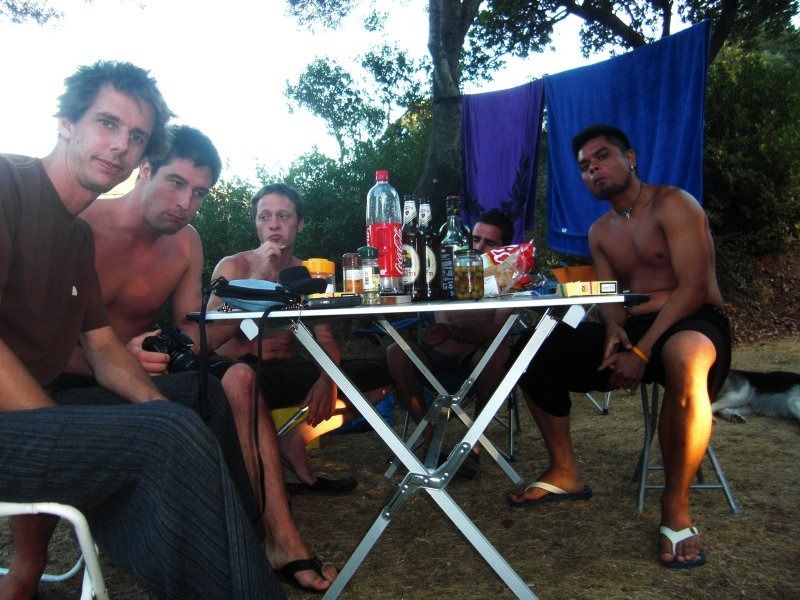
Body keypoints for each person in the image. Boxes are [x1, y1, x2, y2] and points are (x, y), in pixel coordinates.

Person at [0, 61, 283, 599]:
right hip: (20, 426)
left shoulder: (74, 237)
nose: (120, 145)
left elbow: (102, 346)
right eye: (107, 123)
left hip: (40, 419)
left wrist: (162, 407)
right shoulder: (8, 185)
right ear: (66, 122)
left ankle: (250, 552)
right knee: (164, 437)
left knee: (199, 400)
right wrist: (63, 429)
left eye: (135, 136)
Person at [56, 125, 335, 592]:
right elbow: (34, 344)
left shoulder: (186, 241)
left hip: (150, 373)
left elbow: (193, 335)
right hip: (76, 380)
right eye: (176, 183)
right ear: (145, 169)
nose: (186, 203)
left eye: (200, 193)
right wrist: (113, 361)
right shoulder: (80, 226)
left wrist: (255, 291)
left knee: (240, 378)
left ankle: (279, 536)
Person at [507, 125, 731, 570]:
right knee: (533, 351)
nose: (593, 168)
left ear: (630, 158)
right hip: (635, 324)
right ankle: (565, 470)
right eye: (584, 166)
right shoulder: (600, 232)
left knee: (685, 359)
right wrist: (612, 328)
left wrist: (641, 352)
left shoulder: (674, 204)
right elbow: (611, 297)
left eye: (602, 156)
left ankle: (676, 506)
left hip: (695, 318)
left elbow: (694, 288)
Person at [210, 183, 393, 491]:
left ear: (300, 223)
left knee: (379, 378)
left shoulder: (307, 274)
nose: (273, 224)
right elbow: (208, 337)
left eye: (283, 216)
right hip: (239, 373)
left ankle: (294, 440)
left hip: (284, 372)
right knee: (245, 380)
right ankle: (261, 484)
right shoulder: (234, 267)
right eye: (265, 216)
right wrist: (253, 283)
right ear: (256, 223)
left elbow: (325, 339)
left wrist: (327, 380)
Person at [386, 210, 514, 478]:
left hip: (477, 360)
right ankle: (429, 438)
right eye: (475, 239)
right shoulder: (447, 266)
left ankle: (474, 441)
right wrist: (432, 332)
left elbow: (498, 330)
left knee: (499, 352)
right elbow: (430, 308)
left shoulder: (506, 277)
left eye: (489, 242)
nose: (478, 247)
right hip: (436, 358)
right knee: (397, 353)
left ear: (504, 247)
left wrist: (455, 332)